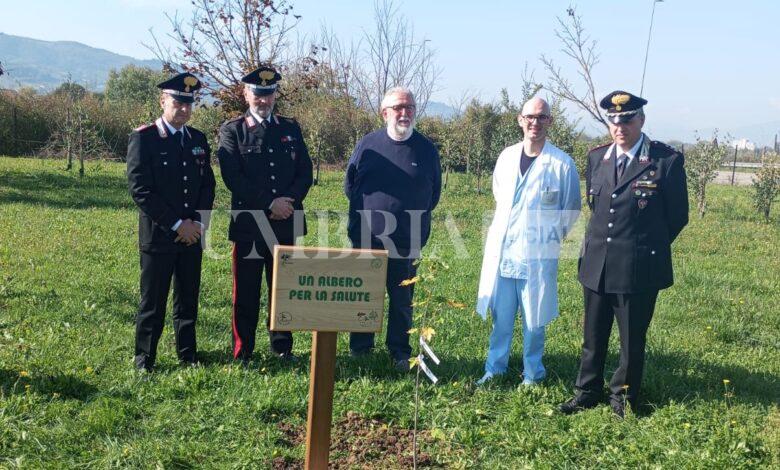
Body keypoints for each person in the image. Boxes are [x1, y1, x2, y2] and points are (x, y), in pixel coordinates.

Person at [560, 91, 689, 417]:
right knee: (593, 335)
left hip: (637, 265)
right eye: (614, 121)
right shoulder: (597, 157)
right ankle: (587, 390)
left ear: (641, 120)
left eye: (627, 120)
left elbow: (677, 216)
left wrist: (644, 246)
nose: (620, 127)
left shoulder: (664, 161)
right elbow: (596, 207)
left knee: (631, 340)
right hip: (597, 263)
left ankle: (623, 398)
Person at [475, 97, 581, 386]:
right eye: (530, 117)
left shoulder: (562, 164)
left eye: (542, 117)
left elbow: (571, 209)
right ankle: (494, 369)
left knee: (535, 320)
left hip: (536, 255)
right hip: (505, 252)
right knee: (502, 318)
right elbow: (500, 196)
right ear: (520, 120)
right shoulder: (506, 157)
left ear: (550, 121)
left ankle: (533, 374)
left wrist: (548, 239)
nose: (535, 122)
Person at [218, 66, 313, 364]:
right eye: (258, 94)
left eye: (269, 94)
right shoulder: (232, 130)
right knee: (245, 291)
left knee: (283, 289)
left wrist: (289, 202)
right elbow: (233, 178)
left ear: (275, 95)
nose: (264, 100)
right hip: (250, 225)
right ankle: (243, 350)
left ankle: (282, 347)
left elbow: (305, 173)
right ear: (246, 94)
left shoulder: (290, 128)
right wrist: (269, 203)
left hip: (286, 222)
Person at [344, 86, 442, 372]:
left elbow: (433, 193)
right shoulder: (368, 145)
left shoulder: (425, 149)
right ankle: (360, 348)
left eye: (409, 107)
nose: (404, 113)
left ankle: (399, 351)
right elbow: (350, 186)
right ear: (384, 112)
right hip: (367, 237)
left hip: (406, 239)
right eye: (398, 108)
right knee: (364, 294)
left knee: (402, 300)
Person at [126, 72, 216, 372]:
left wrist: (198, 225)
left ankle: (188, 354)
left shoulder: (198, 139)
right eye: (178, 103)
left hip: (192, 235)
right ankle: (144, 360)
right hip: (160, 236)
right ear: (163, 100)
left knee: (188, 299)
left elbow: (207, 186)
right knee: (153, 301)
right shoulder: (145, 138)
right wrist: (179, 225)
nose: (185, 110)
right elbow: (141, 190)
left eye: (189, 104)